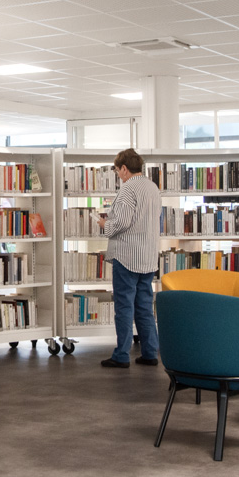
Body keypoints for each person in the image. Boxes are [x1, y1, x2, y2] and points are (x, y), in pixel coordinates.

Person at [98, 148, 161, 368]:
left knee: (124, 307)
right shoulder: (153, 187)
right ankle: (150, 352)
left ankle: (121, 355)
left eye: (117, 171)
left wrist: (105, 225)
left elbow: (123, 222)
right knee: (144, 306)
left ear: (124, 168)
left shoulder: (127, 189)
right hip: (147, 257)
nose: (118, 175)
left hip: (127, 257)